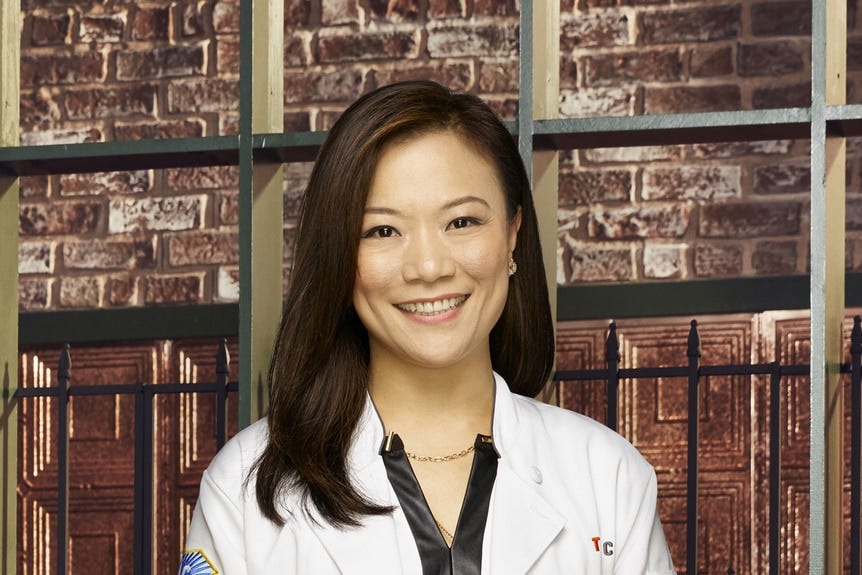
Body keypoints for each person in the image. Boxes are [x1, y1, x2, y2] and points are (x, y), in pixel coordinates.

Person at [180, 80, 676, 574]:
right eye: (382, 231)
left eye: (461, 222)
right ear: (339, 258)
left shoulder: (607, 476)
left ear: (512, 235)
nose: (428, 267)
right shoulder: (245, 487)